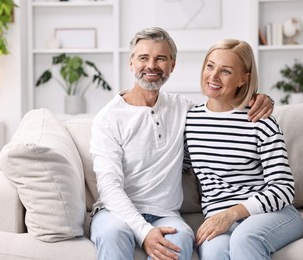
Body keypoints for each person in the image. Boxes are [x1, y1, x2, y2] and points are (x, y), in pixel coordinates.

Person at [89, 28, 274, 260]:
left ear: (172, 65)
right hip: (115, 213)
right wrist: (144, 232)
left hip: (166, 214)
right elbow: (109, 188)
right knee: (112, 234)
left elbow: (221, 108)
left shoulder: (184, 109)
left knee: (182, 238)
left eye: (161, 58)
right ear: (131, 63)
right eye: (144, 57)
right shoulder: (107, 119)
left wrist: (260, 98)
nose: (151, 66)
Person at [184, 39, 303, 260]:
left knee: (244, 238)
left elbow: (284, 188)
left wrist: (231, 214)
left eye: (226, 71)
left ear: (243, 78)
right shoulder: (189, 120)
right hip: (217, 219)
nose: (213, 76)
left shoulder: (259, 119)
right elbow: (175, 165)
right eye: (210, 66)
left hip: (271, 214)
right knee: (213, 253)